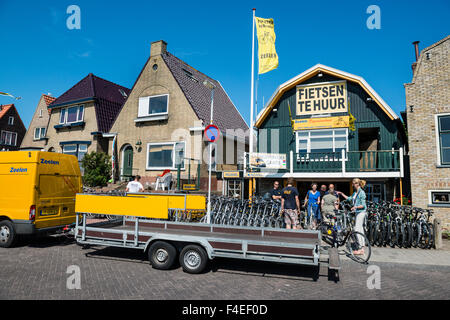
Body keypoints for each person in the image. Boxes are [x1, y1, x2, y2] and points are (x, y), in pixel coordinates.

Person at [338, 179, 367, 256]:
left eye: (353, 184)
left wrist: (355, 207)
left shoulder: (361, 193)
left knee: (356, 229)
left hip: (361, 212)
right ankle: (362, 247)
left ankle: (360, 248)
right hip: (358, 212)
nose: (352, 185)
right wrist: (341, 193)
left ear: (356, 184)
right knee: (360, 229)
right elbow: (349, 198)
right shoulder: (355, 193)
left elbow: (363, 205)